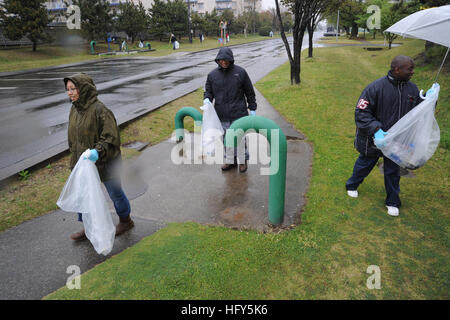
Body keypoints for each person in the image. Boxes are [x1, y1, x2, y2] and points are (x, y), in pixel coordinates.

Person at [345, 55, 422, 217]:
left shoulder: (412, 89)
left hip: (396, 142)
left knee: (393, 171)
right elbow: (361, 112)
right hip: (374, 140)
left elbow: (418, 112)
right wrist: (376, 129)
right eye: (410, 69)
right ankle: (352, 185)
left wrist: (429, 100)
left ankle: (392, 201)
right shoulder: (375, 88)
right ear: (397, 69)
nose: (413, 72)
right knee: (365, 163)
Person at [64, 73, 134, 240]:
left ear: (84, 88)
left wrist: (98, 151)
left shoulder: (100, 110)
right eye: (67, 90)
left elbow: (111, 137)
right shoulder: (74, 109)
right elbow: (74, 137)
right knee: (84, 195)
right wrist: (75, 159)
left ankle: (126, 220)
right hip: (84, 163)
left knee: (115, 193)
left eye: (73, 89)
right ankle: (88, 227)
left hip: (106, 161)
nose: (70, 93)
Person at [204, 47, 257, 173]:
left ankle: (243, 161)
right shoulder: (212, 75)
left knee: (239, 139)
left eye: (226, 60)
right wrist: (207, 99)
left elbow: (249, 91)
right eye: (221, 60)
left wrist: (252, 107)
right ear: (218, 60)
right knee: (227, 140)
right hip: (222, 114)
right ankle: (230, 161)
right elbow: (208, 91)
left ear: (231, 59)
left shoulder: (240, 72)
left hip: (239, 114)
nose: (224, 62)